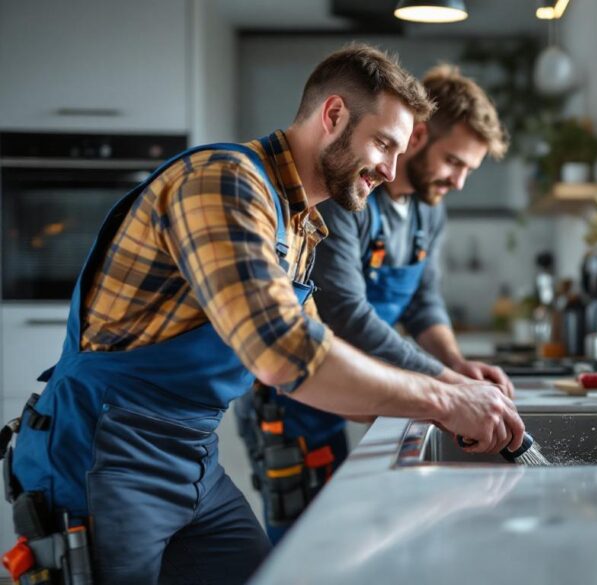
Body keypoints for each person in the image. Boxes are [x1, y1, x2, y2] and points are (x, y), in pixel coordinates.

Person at [2, 43, 524, 585]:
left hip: (192, 455)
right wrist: (444, 395)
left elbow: (323, 349)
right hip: (105, 452)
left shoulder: (300, 224)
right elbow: (283, 356)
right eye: (383, 144)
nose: (392, 172)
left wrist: (438, 418)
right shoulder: (225, 182)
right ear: (334, 116)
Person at [237, 64, 513, 544]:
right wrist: (447, 386)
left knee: (345, 533)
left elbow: (424, 301)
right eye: (454, 162)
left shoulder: (429, 209)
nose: (459, 181)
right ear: (421, 136)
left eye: (469, 169)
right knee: (306, 540)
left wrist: (455, 364)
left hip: (362, 377)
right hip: (298, 395)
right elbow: (345, 315)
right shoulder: (345, 196)